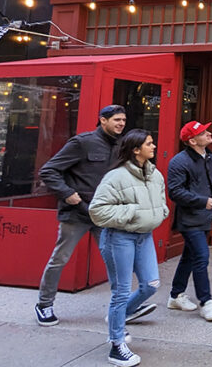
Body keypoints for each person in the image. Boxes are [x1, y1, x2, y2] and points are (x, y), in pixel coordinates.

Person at [34, 104, 126, 327]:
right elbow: (48, 170)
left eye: (123, 120)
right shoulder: (81, 142)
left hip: (104, 213)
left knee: (116, 261)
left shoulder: (121, 146)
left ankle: (125, 306)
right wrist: (68, 195)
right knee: (60, 258)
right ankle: (44, 304)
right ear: (102, 120)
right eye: (116, 120)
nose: (121, 124)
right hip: (76, 213)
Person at [90, 129, 170, 367]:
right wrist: (134, 212)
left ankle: (120, 315)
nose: (154, 146)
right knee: (121, 291)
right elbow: (97, 211)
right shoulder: (116, 176)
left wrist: (160, 213)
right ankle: (116, 344)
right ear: (136, 150)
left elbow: (162, 201)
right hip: (119, 238)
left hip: (144, 237)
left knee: (151, 284)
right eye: (149, 143)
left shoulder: (155, 174)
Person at [166, 120, 212, 322]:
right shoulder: (179, 162)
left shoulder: (208, 157)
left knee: (190, 257)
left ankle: (175, 295)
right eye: (203, 132)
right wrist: (202, 201)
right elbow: (175, 192)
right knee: (201, 256)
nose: (208, 134)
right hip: (190, 218)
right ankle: (206, 302)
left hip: (206, 216)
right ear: (192, 141)